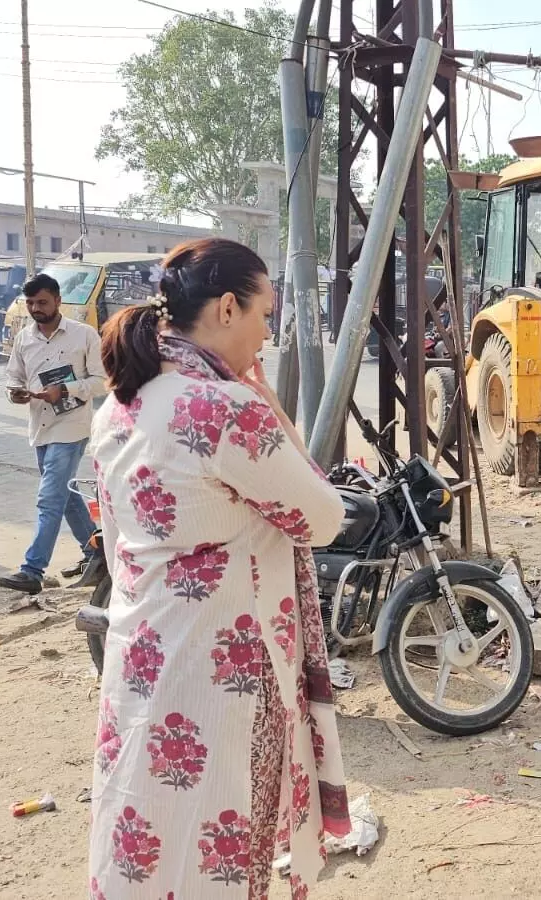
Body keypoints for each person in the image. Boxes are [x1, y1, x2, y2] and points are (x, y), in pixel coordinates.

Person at [87, 238, 349, 898]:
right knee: (217, 855)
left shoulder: (117, 408)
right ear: (228, 308)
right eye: (265, 314)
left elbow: (116, 540)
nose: (267, 334)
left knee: (145, 835)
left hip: (142, 658)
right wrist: (273, 408)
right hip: (217, 678)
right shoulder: (225, 409)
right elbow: (322, 517)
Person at [0, 274, 108, 595]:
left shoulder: (83, 335)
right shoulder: (24, 338)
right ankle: (97, 553)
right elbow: (12, 377)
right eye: (30, 303)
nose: (35, 309)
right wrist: (14, 393)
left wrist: (66, 389)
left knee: (49, 498)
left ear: (58, 301)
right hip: (40, 427)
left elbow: (103, 380)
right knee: (66, 496)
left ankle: (33, 569)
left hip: (72, 427)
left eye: (42, 302)